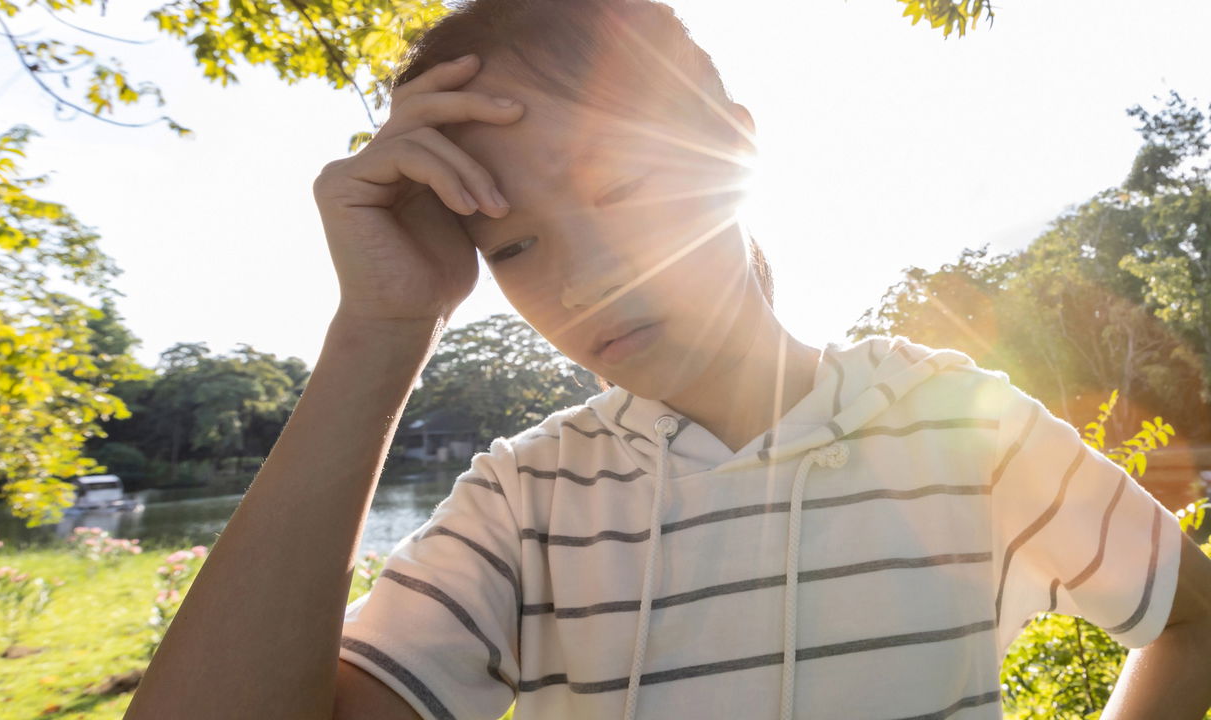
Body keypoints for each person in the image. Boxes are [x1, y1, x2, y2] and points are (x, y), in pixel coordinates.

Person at [122, 0, 1211, 719]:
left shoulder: (959, 424)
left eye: (621, 187)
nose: (582, 274)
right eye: (509, 243)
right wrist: (381, 331)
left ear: (732, 148)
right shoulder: (524, 505)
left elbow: (1189, 619)